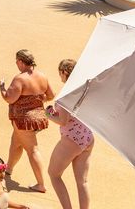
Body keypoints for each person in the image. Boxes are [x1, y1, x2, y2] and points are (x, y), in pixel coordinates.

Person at [0, 49, 54, 194]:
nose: (16, 64)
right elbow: (50, 95)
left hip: (24, 121)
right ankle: (9, 169)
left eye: (16, 61)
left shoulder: (20, 79)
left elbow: (9, 98)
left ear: (21, 62)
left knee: (32, 150)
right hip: (38, 119)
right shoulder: (42, 76)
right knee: (16, 143)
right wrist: (38, 99)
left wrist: (2, 87)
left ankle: (41, 184)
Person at [46, 58, 94, 209]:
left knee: (54, 174)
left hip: (72, 139)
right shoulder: (84, 88)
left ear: (64, 72)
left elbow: (63, 121)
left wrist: (48, 115)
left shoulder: (67, 93)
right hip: (87, 137)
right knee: (82, 182)